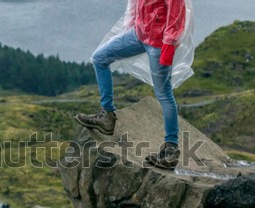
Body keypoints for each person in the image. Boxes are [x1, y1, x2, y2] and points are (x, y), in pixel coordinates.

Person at [75, 0, 188, 170]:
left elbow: (176, 13)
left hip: (159, 42)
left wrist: (169, 43)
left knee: (164, 93)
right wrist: (131, 25)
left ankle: (171, 149)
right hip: (139, 34)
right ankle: (107, 116)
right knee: (99, 58)